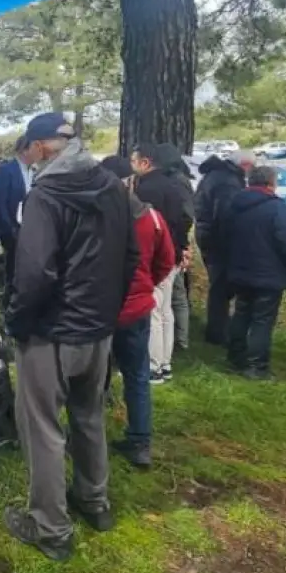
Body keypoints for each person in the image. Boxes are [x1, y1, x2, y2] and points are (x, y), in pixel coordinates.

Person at [4, 113, 137, 561]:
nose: (32, 154)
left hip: (52, 332)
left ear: (42, 147)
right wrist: (107, 314)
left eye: (33, 147)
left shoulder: (46, 193)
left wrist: (18, 322)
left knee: (42, 429)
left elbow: (35, 271)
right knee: (88, 416)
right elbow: (130, 256)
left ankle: (51, 528)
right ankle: (94, 501)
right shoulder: (113, 186)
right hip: (97, 329)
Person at [99, 155, 174, 468]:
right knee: (137, 376)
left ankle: (87, 434)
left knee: (92, 376)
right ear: (130, 181)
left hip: (100, 308)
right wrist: (144, 287)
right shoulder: (152, 219)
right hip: (136, 310)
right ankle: (140, 441)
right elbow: (165, 262)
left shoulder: (96, 217)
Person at [224, 165, 286, 380]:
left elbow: (224, 234)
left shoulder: (234, 204)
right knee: (262, 321)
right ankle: (257, 366)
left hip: (239, 270)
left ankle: (235, 358)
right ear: (270, 183)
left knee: (241, 313)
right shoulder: (276, 208)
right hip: (268, 274)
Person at [131, 143, 194, 382]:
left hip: (155, 257)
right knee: (165, 310)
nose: (133, 165)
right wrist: (181, 248)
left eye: (134, 160)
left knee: (154, 311)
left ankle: (153, 366)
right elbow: (184, 219)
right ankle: (165, 362)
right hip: (173, 255)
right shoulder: (174, 185)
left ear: (145, 162)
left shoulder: (147, 189)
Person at [194, 149, 255, 346]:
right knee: (220, 288)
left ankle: (218, 328)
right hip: (218, 240)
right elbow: (225, 215)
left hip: (206, 234)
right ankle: (218, 333)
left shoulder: (215, 175)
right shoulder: (228, 181)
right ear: (244, 165)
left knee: (218, 285)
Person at [0, 137, 36, 302]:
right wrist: (9, 230)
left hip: (31, 230)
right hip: (14, 231)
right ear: (24, 150)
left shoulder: (34, 171)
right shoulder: (6, 170)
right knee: (13, 273)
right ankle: (9, 308)